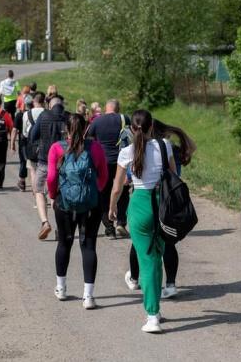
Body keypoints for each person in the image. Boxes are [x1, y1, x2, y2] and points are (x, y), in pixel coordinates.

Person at [109, 110, 175, 333]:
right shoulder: (164, 145)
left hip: (139, 205)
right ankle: (155, 309)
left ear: (132, 129)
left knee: (146, 261)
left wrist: (111, 209)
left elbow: (117, 187)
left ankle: (152, 315)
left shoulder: (126, 152)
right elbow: (174, 176)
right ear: (151, 126)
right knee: (156, 258)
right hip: (162, 205)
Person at [126, 119, 197, 299]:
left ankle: (134, 278)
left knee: (140, 243)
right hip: (169, 200)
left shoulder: (142, 152)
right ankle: (171, 284)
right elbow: (184, 159)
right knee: (169, 242)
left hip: (145, 201)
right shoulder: (169, 149)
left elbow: (130, 177)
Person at [47, 114, 108, 309]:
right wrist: (92, 193)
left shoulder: (57, 148)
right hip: (91, 204)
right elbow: (104, 176)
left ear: (66, 128)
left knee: (64, 243)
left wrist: (52, 196)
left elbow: (50, 177)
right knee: (89, 246)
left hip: (64, 203)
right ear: (86, 129)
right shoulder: (96, 148)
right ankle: (88, 296)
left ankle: (61, 288)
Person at [86, 99, 131, 239]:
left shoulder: (97, 121)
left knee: (104, 194)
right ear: (118, 109)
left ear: (105, 108)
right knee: (122, 191)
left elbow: (89, 139)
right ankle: (121, 223)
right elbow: (129, 136)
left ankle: (109, 228)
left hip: (103, 161)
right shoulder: (124, 119)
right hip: (121, 161)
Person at [30, 95, 69, 240]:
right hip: (65, 161)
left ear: (50, 106)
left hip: (45, 160)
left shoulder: (44, 115)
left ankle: (45, 222)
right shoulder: (69, 117)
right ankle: (60, 228)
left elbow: (33, 135)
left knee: (39, 190)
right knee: (58, 194)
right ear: (62, 106)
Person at [23, 92, 46, 211]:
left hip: (32, 144)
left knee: (33, 171)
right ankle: (45, 194)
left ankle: (36, 197)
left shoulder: (27, 114)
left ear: (34, 102)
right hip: (45, 144)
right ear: (44, 102)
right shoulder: (46, 113)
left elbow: (25, 133)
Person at [11, 94, 33, 192]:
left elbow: (14, 130)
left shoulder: (19, 115)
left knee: (23, 161)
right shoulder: (36, 114)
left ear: (24, 104)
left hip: (23, 141)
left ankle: (22, 181)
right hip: (34, 141)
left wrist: (12, 143)